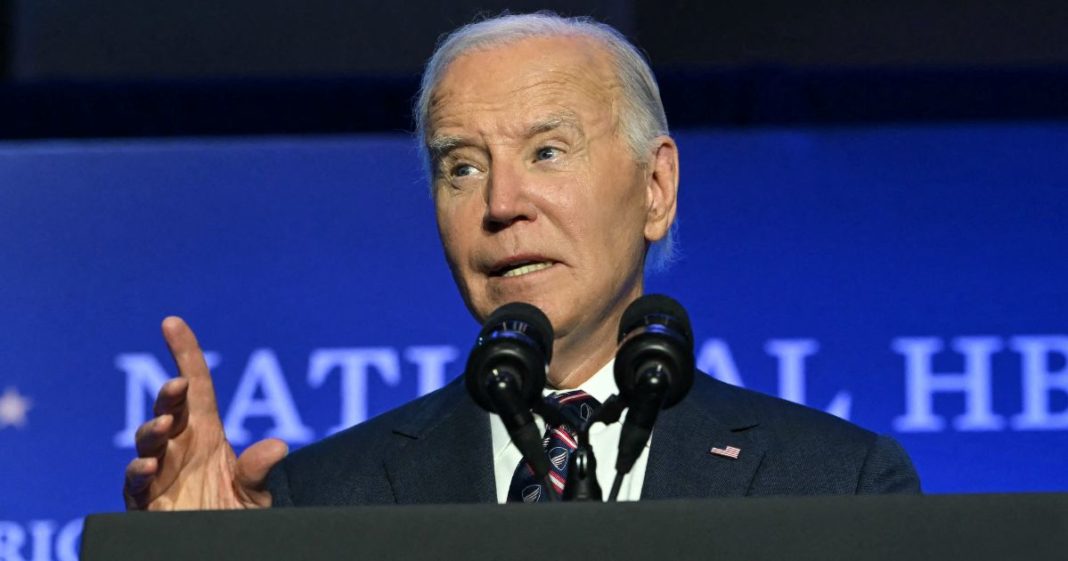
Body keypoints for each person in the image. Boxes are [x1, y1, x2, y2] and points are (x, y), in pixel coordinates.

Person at [123, 12, 920, 511]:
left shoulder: (834, 482)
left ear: (656, 187)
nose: (502, 202)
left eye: (547, 151)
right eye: (461, 166)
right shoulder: (324, 501)